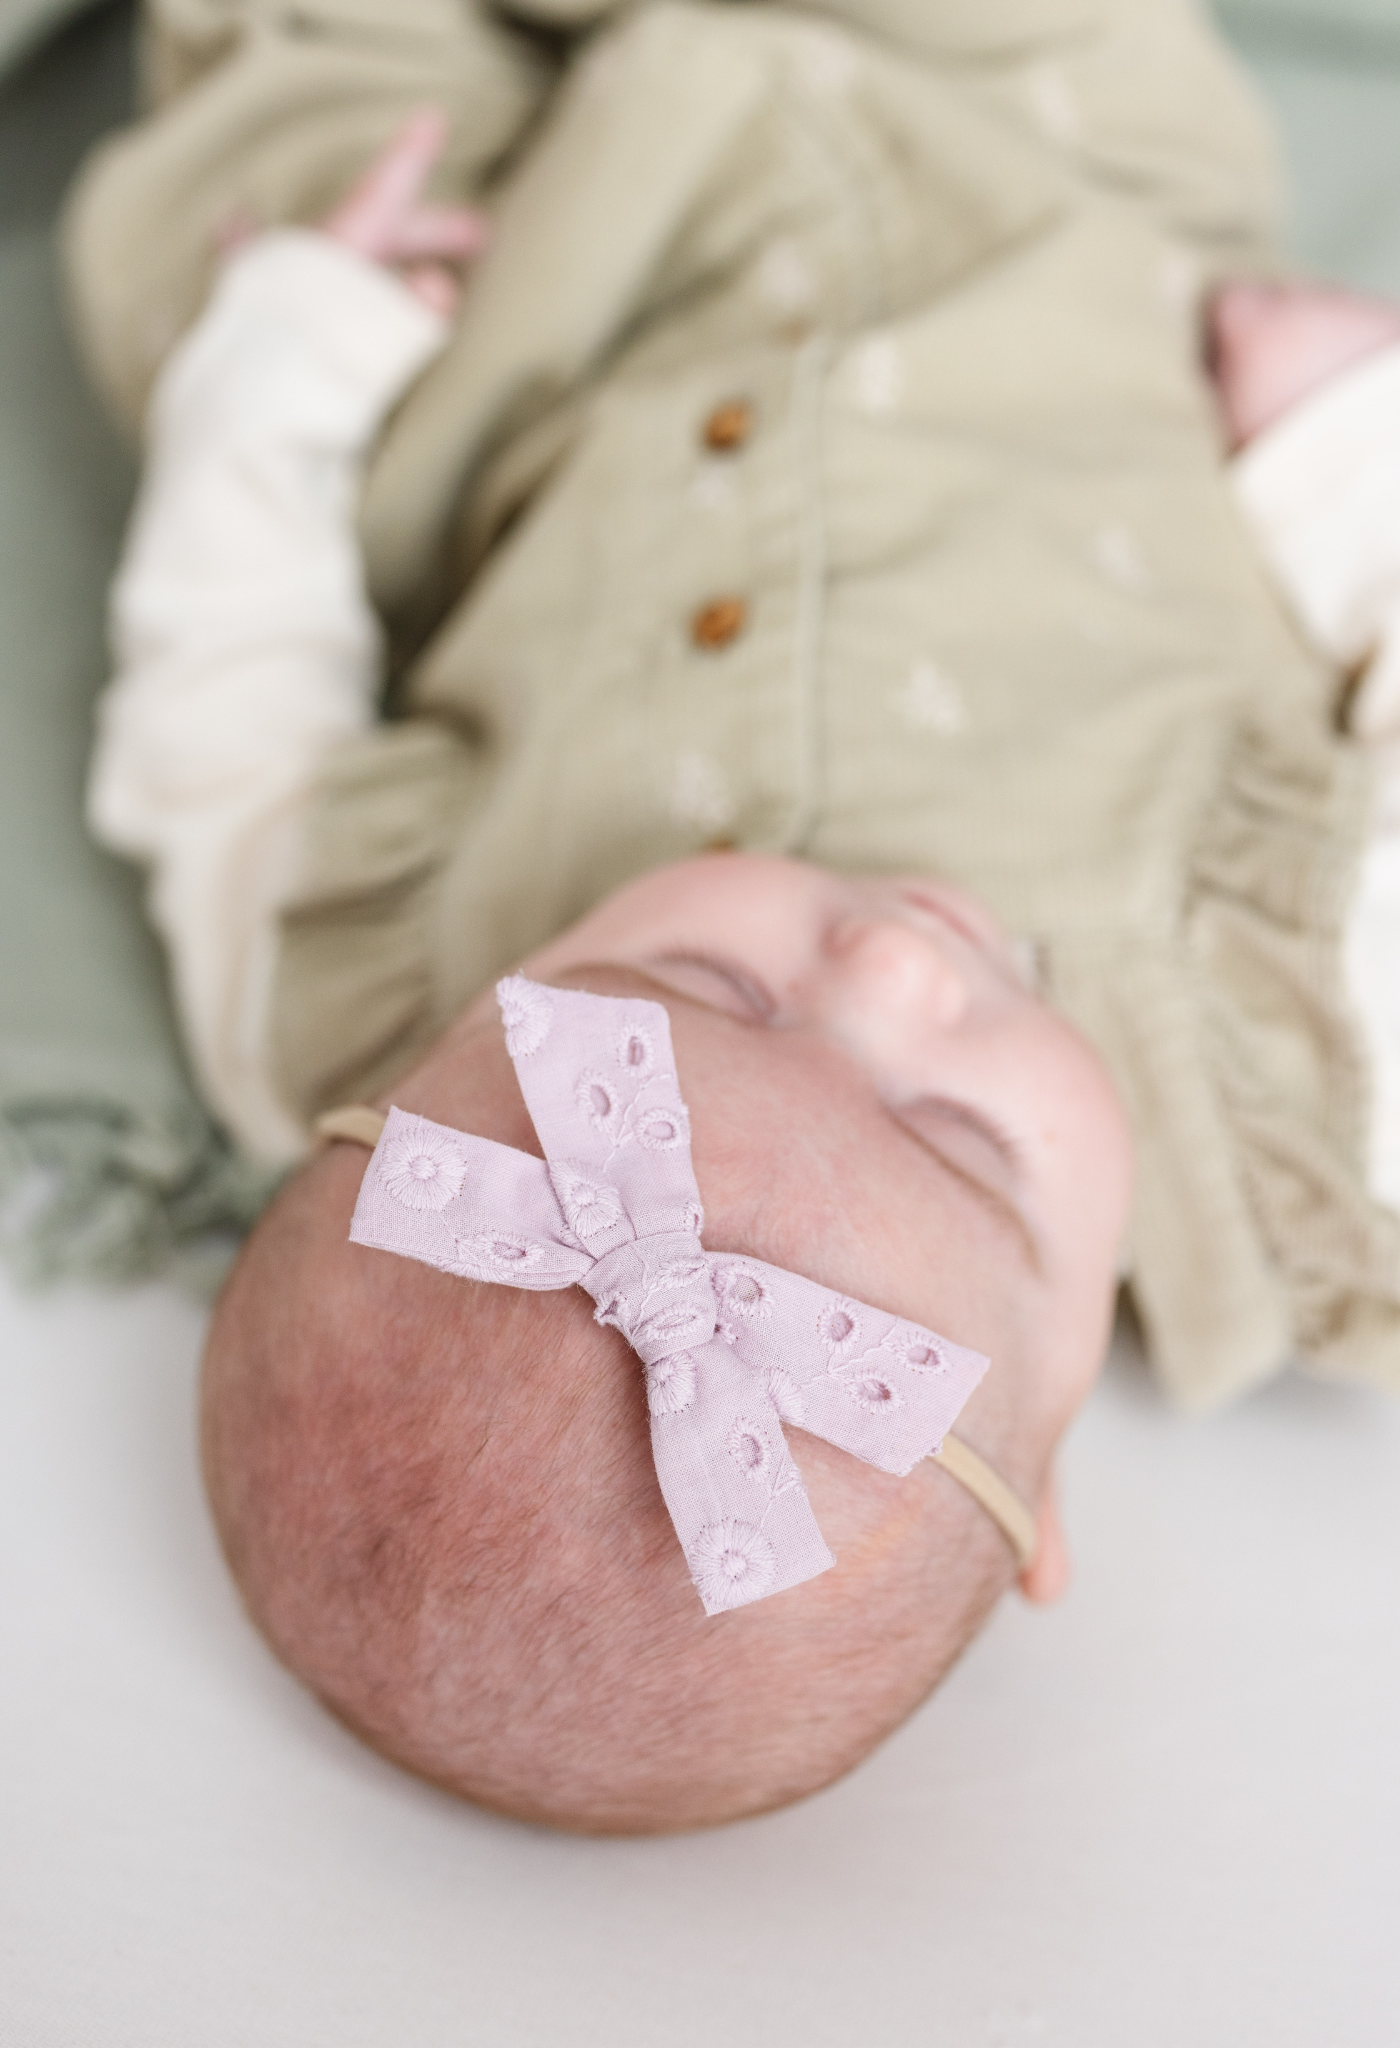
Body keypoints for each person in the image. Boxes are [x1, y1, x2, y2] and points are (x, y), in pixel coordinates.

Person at [61, 0, 1400, 1829]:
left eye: (707, 981)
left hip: (546, 275)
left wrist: (287, 361)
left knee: (223, 206)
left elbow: (225, 708)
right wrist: (1346, 458)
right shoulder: (1309, 1139)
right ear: (1055, 1416)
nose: (893, 964)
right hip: (1030, 184)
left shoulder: (352, 1030)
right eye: (959, 1135)